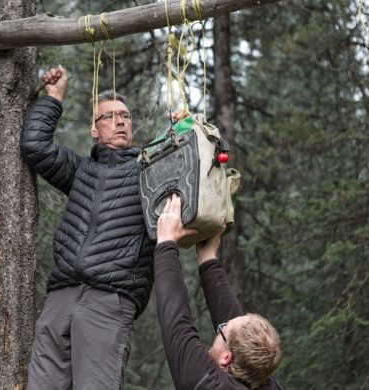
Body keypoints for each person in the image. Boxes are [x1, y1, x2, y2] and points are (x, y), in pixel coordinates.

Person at [21, 66, 156, 389]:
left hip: (110, 300)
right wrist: (54, 97)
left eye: (124, 116)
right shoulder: (80, 171)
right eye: (109, 117)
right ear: (94, 131)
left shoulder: (149, 173)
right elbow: (35, 147)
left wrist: (187, 127)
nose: (120, 121)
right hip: (61, 297)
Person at [154, 194, 283, 389]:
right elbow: (235, 328)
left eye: (223, 330)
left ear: (226, 357)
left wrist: (166, 243)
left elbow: (176, 322)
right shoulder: (262, 379)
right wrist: (208, 260)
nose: (223, 324)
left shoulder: (207, 384)